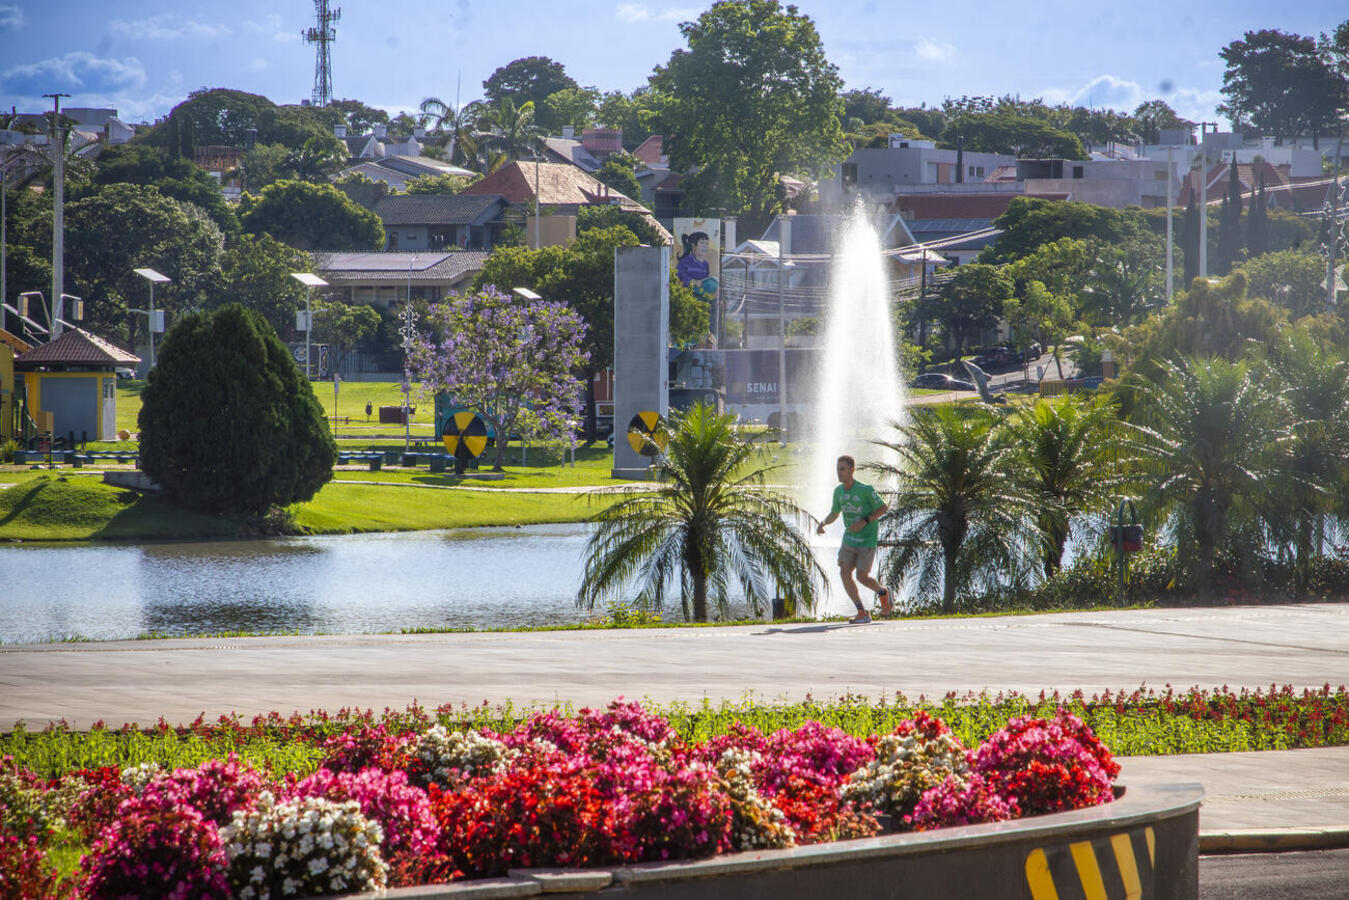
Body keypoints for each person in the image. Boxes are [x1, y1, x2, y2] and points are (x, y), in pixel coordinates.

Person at [816, 455, 892, 623]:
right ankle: (862, 612)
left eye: (842, 469)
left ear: (852, 470)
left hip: (867, 540)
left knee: (862, 577)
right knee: (844, 572)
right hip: (849, 540)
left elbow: (883, 508)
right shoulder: (839, 492)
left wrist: (864, 521)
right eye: (838, 469)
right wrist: (823, 523)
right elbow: (835, 512)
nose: (839, 473)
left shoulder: (865, 490)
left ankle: (882, 592)